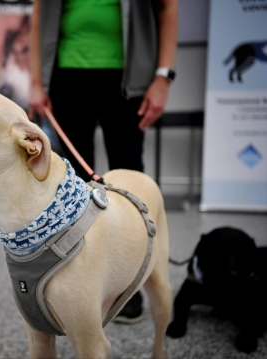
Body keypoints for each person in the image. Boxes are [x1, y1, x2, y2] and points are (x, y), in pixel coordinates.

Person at [28, 0, 178, 323]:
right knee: (76, 185)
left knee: (129, 180)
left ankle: (130, 284)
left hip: (127, 78)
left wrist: (163, 77)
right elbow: (40, 12)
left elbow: (168, 7)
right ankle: (84, 280)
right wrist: (36, 80)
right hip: (66, 76)